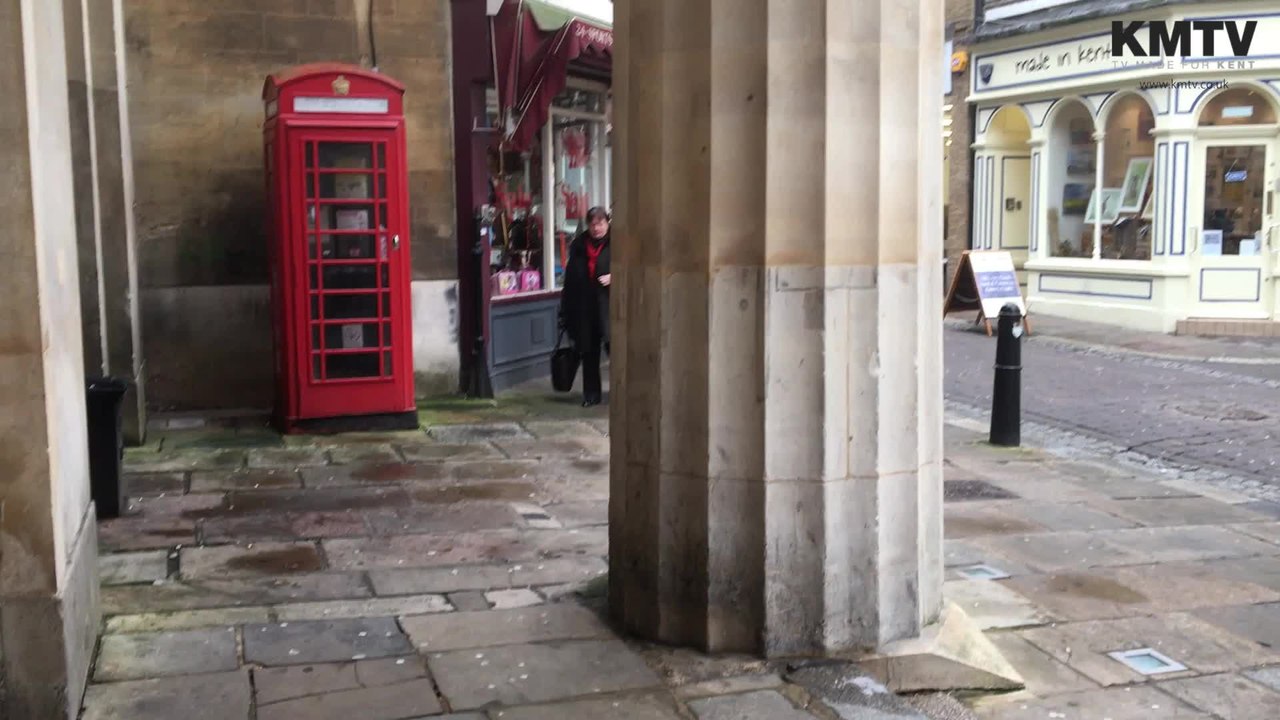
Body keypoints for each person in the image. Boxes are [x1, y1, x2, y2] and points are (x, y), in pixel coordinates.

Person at [559, 207, 611, 406]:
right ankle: (591, 394)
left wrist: (615, 276)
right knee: (589, 354)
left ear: (607, 223)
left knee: (615, 350)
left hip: (608, 308)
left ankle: (621, 393)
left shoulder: (615, 244)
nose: (597, 228)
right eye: (593, 224)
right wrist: (565, 311)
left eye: (601, 223)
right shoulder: (579, 246)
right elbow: (570, 281)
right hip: (585, 308)